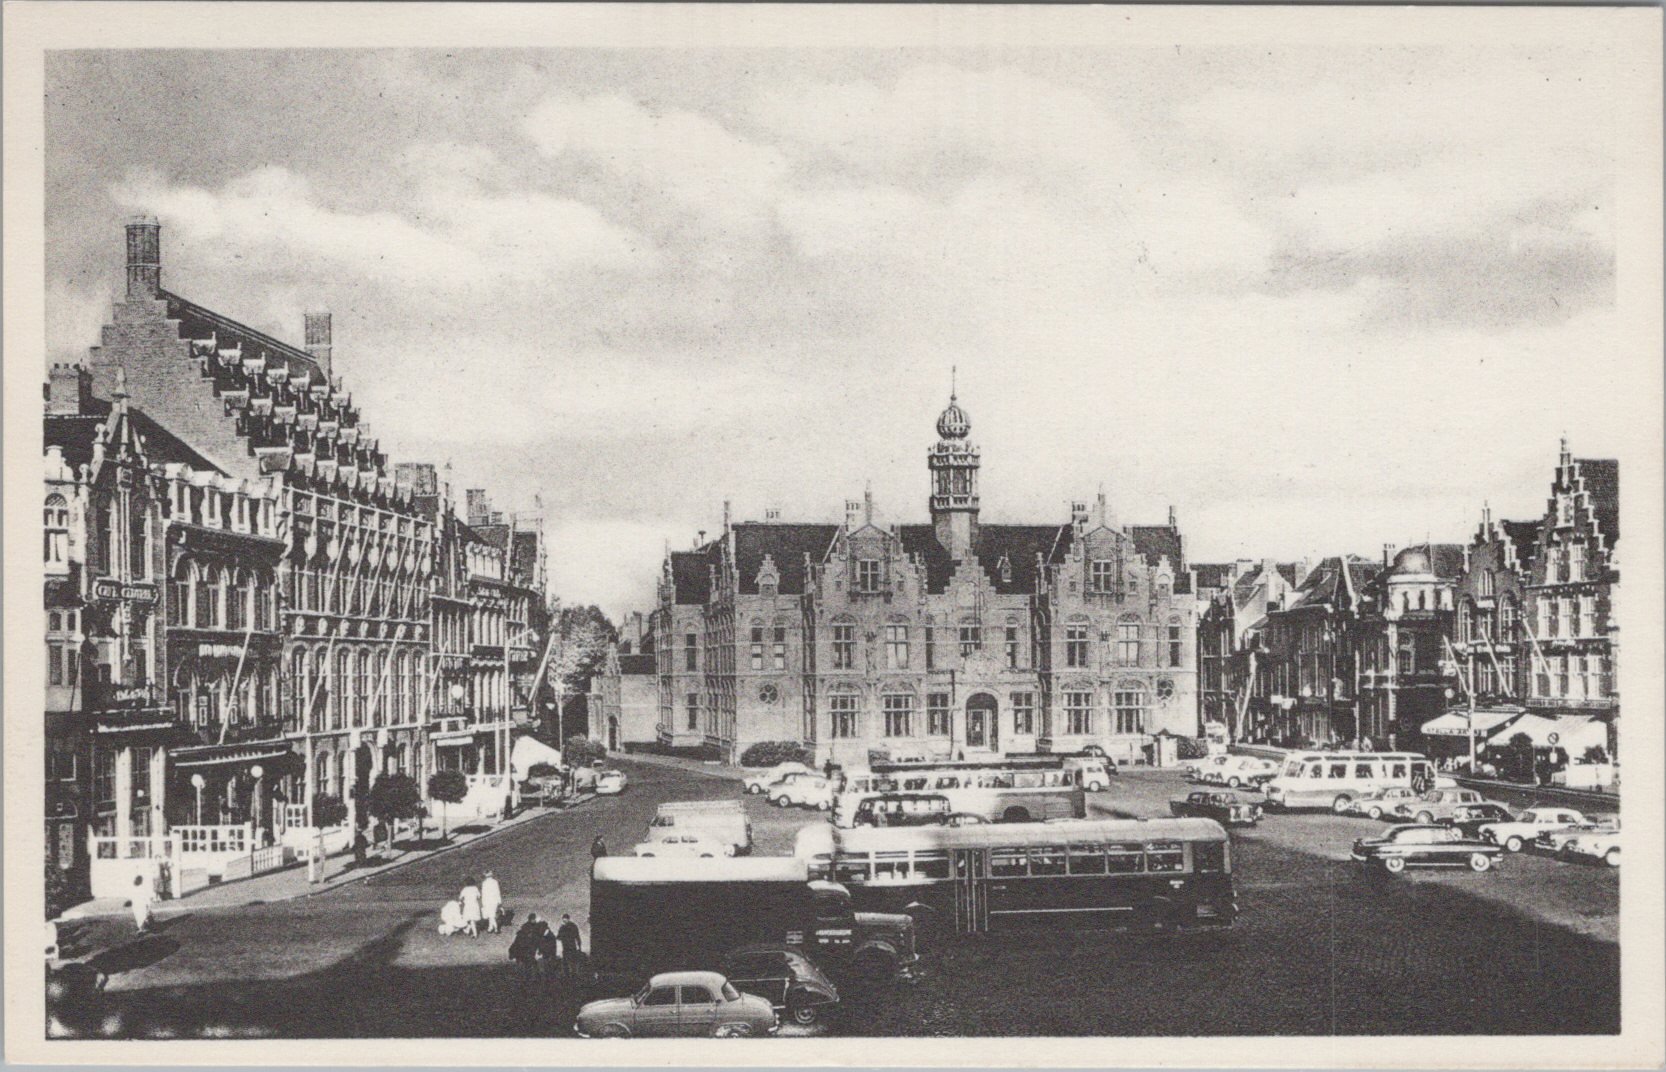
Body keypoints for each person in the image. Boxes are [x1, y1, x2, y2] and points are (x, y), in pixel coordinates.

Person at [508, 912, 554, 983]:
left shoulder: (537, 926)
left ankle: (533, 978)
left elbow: (540, 938)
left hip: (531, 948)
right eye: (532, 919)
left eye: (534, 919)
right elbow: (518, 940)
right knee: (529, 963)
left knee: (530, 963)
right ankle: (530, 978)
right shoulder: (525, 927)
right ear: (529, 919)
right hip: (526, 949)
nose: (533, 920)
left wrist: (540, 949)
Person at [556, 913, 582, 978]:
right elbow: (558, 937)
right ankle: (569, 975)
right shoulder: (564, 927)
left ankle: (571, 975)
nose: (564, 921)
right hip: (567, 947)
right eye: (563, 920)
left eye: (565, 919)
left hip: (570, 947)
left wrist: (579, 946)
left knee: (570, 962)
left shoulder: (570, 926)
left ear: (568, 919)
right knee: (567, 962)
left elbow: (577, 936)